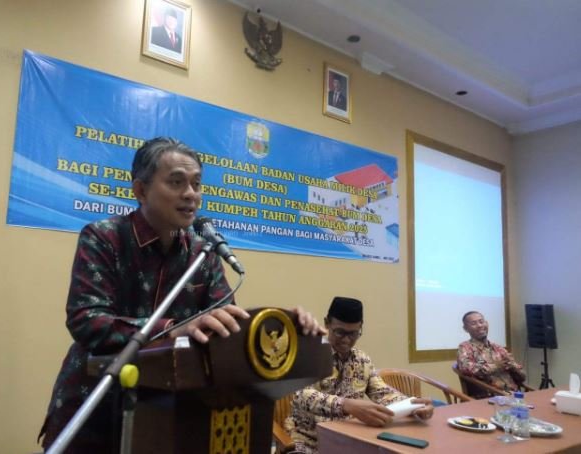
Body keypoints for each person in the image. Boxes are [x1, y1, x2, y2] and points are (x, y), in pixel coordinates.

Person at [39, 137, 324, 452]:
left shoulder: (203, 252)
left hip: (167, 417)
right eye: (176, 182)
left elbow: (226, 331)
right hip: (95, 405)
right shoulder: (104, 238)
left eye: (196, 184)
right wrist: (173, 330)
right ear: (141, 191)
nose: (191, 194)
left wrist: (288, 326)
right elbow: (87, 320)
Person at [286, 297, 434, 454]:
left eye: (353, 334)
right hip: (310, 442)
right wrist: (345, 405)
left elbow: (383, 393)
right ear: (327, 323)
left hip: (350, 440)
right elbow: (299, 394)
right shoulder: (309, 352)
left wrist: (413, 405)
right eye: (340, 332)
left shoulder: (362, 360)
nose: (346, 340)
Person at [457, 311, 527, 395]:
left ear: (486, 323)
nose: (479, 325)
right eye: (474, 323)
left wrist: (512, 366)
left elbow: (523, 377)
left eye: (481, 322)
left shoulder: (498, 348)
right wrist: (495, 366)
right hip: (492, 396)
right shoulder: (465, 347)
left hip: (515, 394)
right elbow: (466, 369)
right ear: (465, 328)